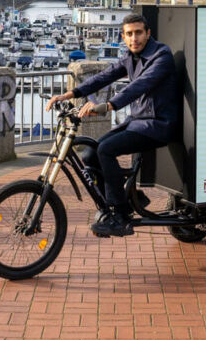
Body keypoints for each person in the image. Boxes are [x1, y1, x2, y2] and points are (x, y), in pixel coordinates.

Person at [45, 13, 178, 237]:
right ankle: (127, 197)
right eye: (129, 34)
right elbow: (104, 76)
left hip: (158, 124)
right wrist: (69, 94)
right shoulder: (129, 56)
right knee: (90, 154)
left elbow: (139, 86)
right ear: (123, 37)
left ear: (148, 33)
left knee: (106, 149)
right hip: (137, 121)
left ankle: (119, 215)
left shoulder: (161, 55)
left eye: (138, 33)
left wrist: (108, 106)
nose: (134, 38)